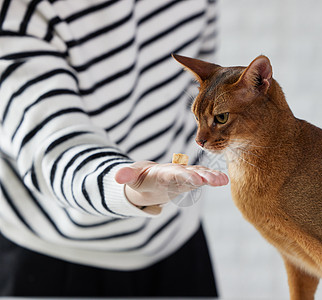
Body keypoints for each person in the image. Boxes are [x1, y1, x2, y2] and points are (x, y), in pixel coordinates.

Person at [0, 0, 228, 297]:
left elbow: (200, 84)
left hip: (177, 241)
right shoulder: (20, 13)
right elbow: (53, 143)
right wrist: (127, 184)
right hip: (51, 254)